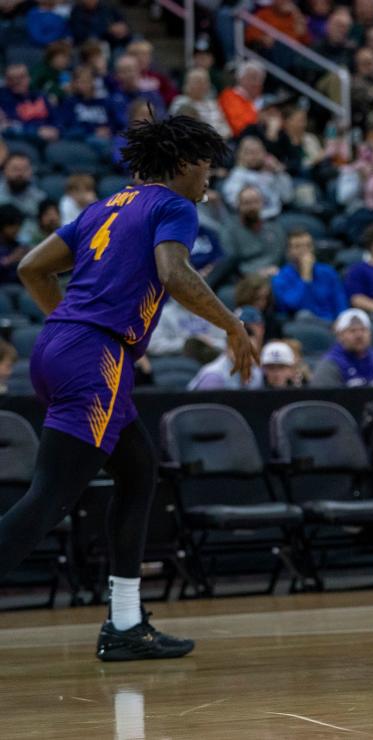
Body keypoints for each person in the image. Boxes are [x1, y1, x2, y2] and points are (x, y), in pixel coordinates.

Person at [13, 115, 258, 660]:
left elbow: (32, 268)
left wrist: (72, 323)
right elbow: (172, 273)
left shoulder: (106, 205)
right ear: (183, 164)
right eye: (206, 168)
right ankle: (123, 625)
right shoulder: (174, 206)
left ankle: (125, 623)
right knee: (50, 496)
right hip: (93, 354)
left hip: (60, 346)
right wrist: (232, 325)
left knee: (137, 471)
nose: (209, 181)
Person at [271, 229, 347, 320]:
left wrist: (341, 322)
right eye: (297, 246)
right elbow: (293, 306)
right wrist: (305, 277)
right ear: (288, 251)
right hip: (303, 325)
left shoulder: (327, 272)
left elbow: (340, 301)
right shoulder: (280, 278)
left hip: (332, 322)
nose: (304, 250)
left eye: (308, 245)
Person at [312, 308, 373, 387]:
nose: (359, 335)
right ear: (339, 335)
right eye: (352, 331)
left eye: (363, 330)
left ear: (370, 334)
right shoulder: (330, 364)